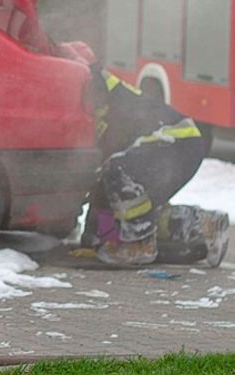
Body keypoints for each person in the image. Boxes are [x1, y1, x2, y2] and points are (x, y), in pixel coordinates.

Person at [82, 65, 228, 267]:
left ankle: (140, 245)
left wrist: (99, 235)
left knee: (117, 171)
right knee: (140, 205)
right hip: (183, 143)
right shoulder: (106, 92)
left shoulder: (99, 97)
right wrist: (98, 238)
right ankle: (205, 225)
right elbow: (105, 193)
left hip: (173, 142)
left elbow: (105, 181)